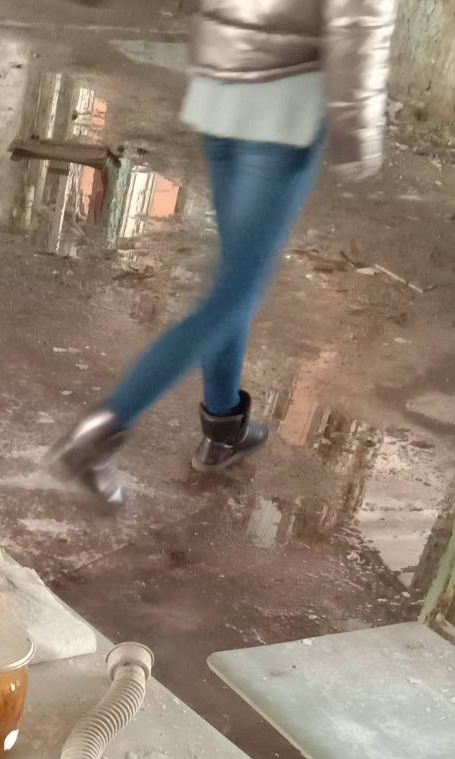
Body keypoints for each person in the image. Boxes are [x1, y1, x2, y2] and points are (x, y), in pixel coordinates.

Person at [52, 0, 398, 505]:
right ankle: (99, 435)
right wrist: (358, 137)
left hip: (219, 86)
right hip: (283, 105)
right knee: (236, 295)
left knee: (234, 281)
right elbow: (360, 18)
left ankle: (223, 431)